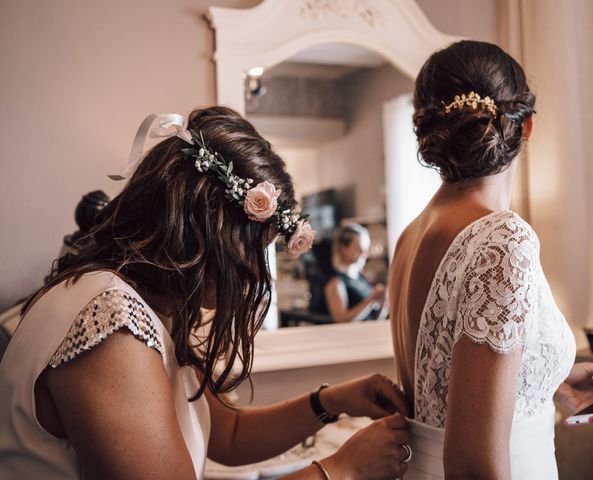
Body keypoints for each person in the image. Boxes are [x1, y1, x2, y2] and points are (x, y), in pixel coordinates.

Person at [0, 106, 412, 480]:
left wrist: (333, 400)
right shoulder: (111, 323)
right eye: (253, 248)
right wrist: (341, 470)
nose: (254, 271)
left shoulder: (148, 309)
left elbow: (228, 435)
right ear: (208, 228)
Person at [388, 40, 593, 479]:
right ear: (527, 127)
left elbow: (446, 384)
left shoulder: (410, 237)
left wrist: (548, 377)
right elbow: (475, 465)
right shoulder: (501, 239)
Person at [324, 224, 387, 323]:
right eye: (359, 248)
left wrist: (382, 301)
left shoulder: (360, 278)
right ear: (343, 249)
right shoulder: (335, 282)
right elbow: (341, 321)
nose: (365, 254)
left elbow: (372, 317)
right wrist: (371, 300)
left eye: (366, 249)